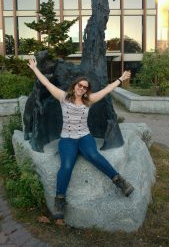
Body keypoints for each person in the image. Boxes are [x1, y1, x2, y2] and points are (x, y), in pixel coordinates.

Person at [28, 58, 134, 225]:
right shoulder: (63, 97)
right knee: (67, 166)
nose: (82, 88)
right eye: (80, 85)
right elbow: (47, 84)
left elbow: (107, 90)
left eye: (85, 87)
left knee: (93, 155)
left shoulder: (88, 100)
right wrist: (35, 69)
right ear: (75, 85)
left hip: (85, 137)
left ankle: (120, 182)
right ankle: (59, 203)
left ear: (86, 90)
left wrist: (120, 79)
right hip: (67, 140)